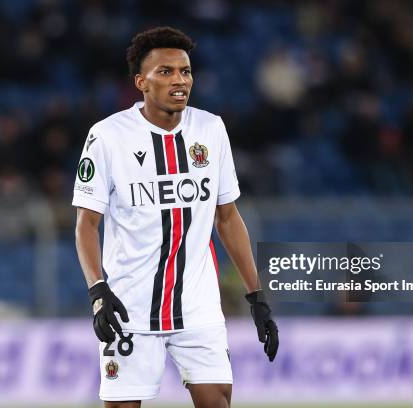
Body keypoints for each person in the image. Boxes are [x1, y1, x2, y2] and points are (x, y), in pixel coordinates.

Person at [73, 26, 279, 408]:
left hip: (198, 306)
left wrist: (256, 296)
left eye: (185, 71)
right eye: (165, 72)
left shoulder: (211, 129)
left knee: (217, 401)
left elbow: (228, 218)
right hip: (130, 307)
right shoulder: (107, 137)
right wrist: (98, 291)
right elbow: (87, 223)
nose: (179, 80)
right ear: (141, 82)